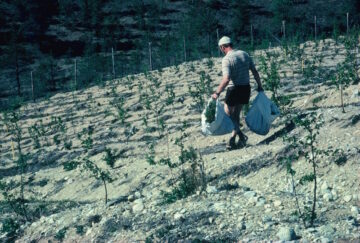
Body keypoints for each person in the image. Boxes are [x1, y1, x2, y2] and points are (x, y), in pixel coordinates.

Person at [211, 36, 263, 150]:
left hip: (234, 89)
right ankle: (233, 140)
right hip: (245, 88)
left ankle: (241, 136)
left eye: (221, 48)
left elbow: (226, 79)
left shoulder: (227, 59)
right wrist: (260, 85)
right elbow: (254, 71)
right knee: (236, 115)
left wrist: (217, 92)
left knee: (228, 115)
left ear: (223, 47)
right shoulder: (244, 54)